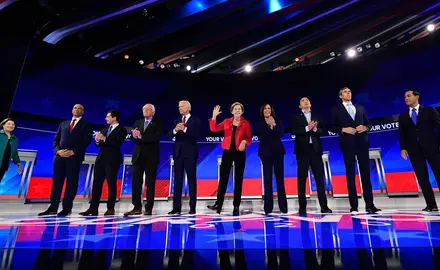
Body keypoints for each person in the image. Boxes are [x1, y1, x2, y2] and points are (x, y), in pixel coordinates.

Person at [331, 87, 381, 213]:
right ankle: (354, 206)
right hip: (347, 143)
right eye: (345, 92)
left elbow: (369, 123)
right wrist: (343, 129)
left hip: (362, 143)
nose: (348, 93)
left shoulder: (360, 107)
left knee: (366, 174)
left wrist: (365, 127)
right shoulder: (336, 109)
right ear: (340, 96)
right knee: (350, 174)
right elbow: (331, 126)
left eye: (350, 91)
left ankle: (370, 204)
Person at [39, 104, 93, 216]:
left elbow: (86, 141)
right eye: (75, 108)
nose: (77, 109)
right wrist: (58, 151)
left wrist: (74, 151)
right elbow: (56, 139)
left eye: (79, 108)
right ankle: (53, 207)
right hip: (60, 157)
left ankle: (67, 208)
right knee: (57, 182)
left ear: (83, 111)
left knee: (71, 183)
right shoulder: (63, 123)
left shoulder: (86, 125)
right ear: (72, 110)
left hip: (74, 157)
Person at [80, 110, 127, 216]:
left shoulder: (122, 130)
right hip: (101, 159)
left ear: (114, 118)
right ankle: (93, 208)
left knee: (111, 184)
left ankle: (110, 208)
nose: (106, 118)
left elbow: (116, 143)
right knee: (96, 184)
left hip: (113, 159)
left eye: (108, 116)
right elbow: (99, 144)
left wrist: (104, 139)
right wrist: (97, 140)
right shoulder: (105, 129)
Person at [207, 102, 252, 215]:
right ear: (232, 111)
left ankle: (236, 205)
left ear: (242, 111)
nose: (237, 110)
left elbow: (249, 138)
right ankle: (219, 204)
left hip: (240, 153)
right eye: (235, 109)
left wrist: (244, 141)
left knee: (238, 179)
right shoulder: (227, 121)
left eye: (239, 109)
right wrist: (214, 117)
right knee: (223, 178)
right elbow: (214, 129)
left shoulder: (245, 123)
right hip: (227, 152)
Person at [399, 90, 440, 212]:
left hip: (432, 147)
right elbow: (402, 134)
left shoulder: (429, 110)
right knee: (422, 178)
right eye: (405, 96)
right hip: (414, 150)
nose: (406, 98)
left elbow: (439, 127)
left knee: (439, 174)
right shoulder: (403, 116)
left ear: (417, 97)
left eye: (409, 96)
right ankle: (431, 205)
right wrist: (403, 148)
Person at [291, 97, 332, 214]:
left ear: (310, 103)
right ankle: (302, 207)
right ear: (299, 106)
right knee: (302, 179)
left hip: (315, 150)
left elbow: (323, 130)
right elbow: (293, 130)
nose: (305, 102)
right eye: (302, 101)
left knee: (319, 179)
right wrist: (306, 128)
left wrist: (315, 130)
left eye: (307, 100)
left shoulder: (317, 115)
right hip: (302, 151)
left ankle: (324, 206)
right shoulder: (296, 117)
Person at [124, 104, 163, 216]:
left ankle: (149, 208)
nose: (145, 111)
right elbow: (132, 138)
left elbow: (156, 137)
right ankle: (136, 207)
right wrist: (135, 135)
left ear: (153, 112)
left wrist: (141, 137)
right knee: (136, 182)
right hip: (138, 156)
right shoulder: (138, 122)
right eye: (144, 109)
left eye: (148, 109)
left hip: (151, 157)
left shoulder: (158, 123)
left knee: (150, 183)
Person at [168, 100, 200, 215]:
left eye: (182, 106)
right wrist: (176, 130)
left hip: (190, 154)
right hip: (178, 154)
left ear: (188, 108)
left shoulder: (196, 120)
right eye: (179, 106)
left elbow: (196, 135)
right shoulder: (176, 120)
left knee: (191, 181)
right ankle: (176, 208)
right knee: (177, 181)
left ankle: (192, 207)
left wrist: (185, 129)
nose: (180, 108)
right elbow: (169, 135)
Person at [255, 104, 288, 214]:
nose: (267, 110)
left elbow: (281, 134)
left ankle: (283, 207)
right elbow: (261, 136)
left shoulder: (277, 120)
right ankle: (268, 208)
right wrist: (269, 128)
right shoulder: (259, 122)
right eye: (265, 108)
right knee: (267, 180)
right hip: (265, 153)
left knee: (280, 180)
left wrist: (274, 125)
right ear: (262, 110)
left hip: (278, 152)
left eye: (269, 108)